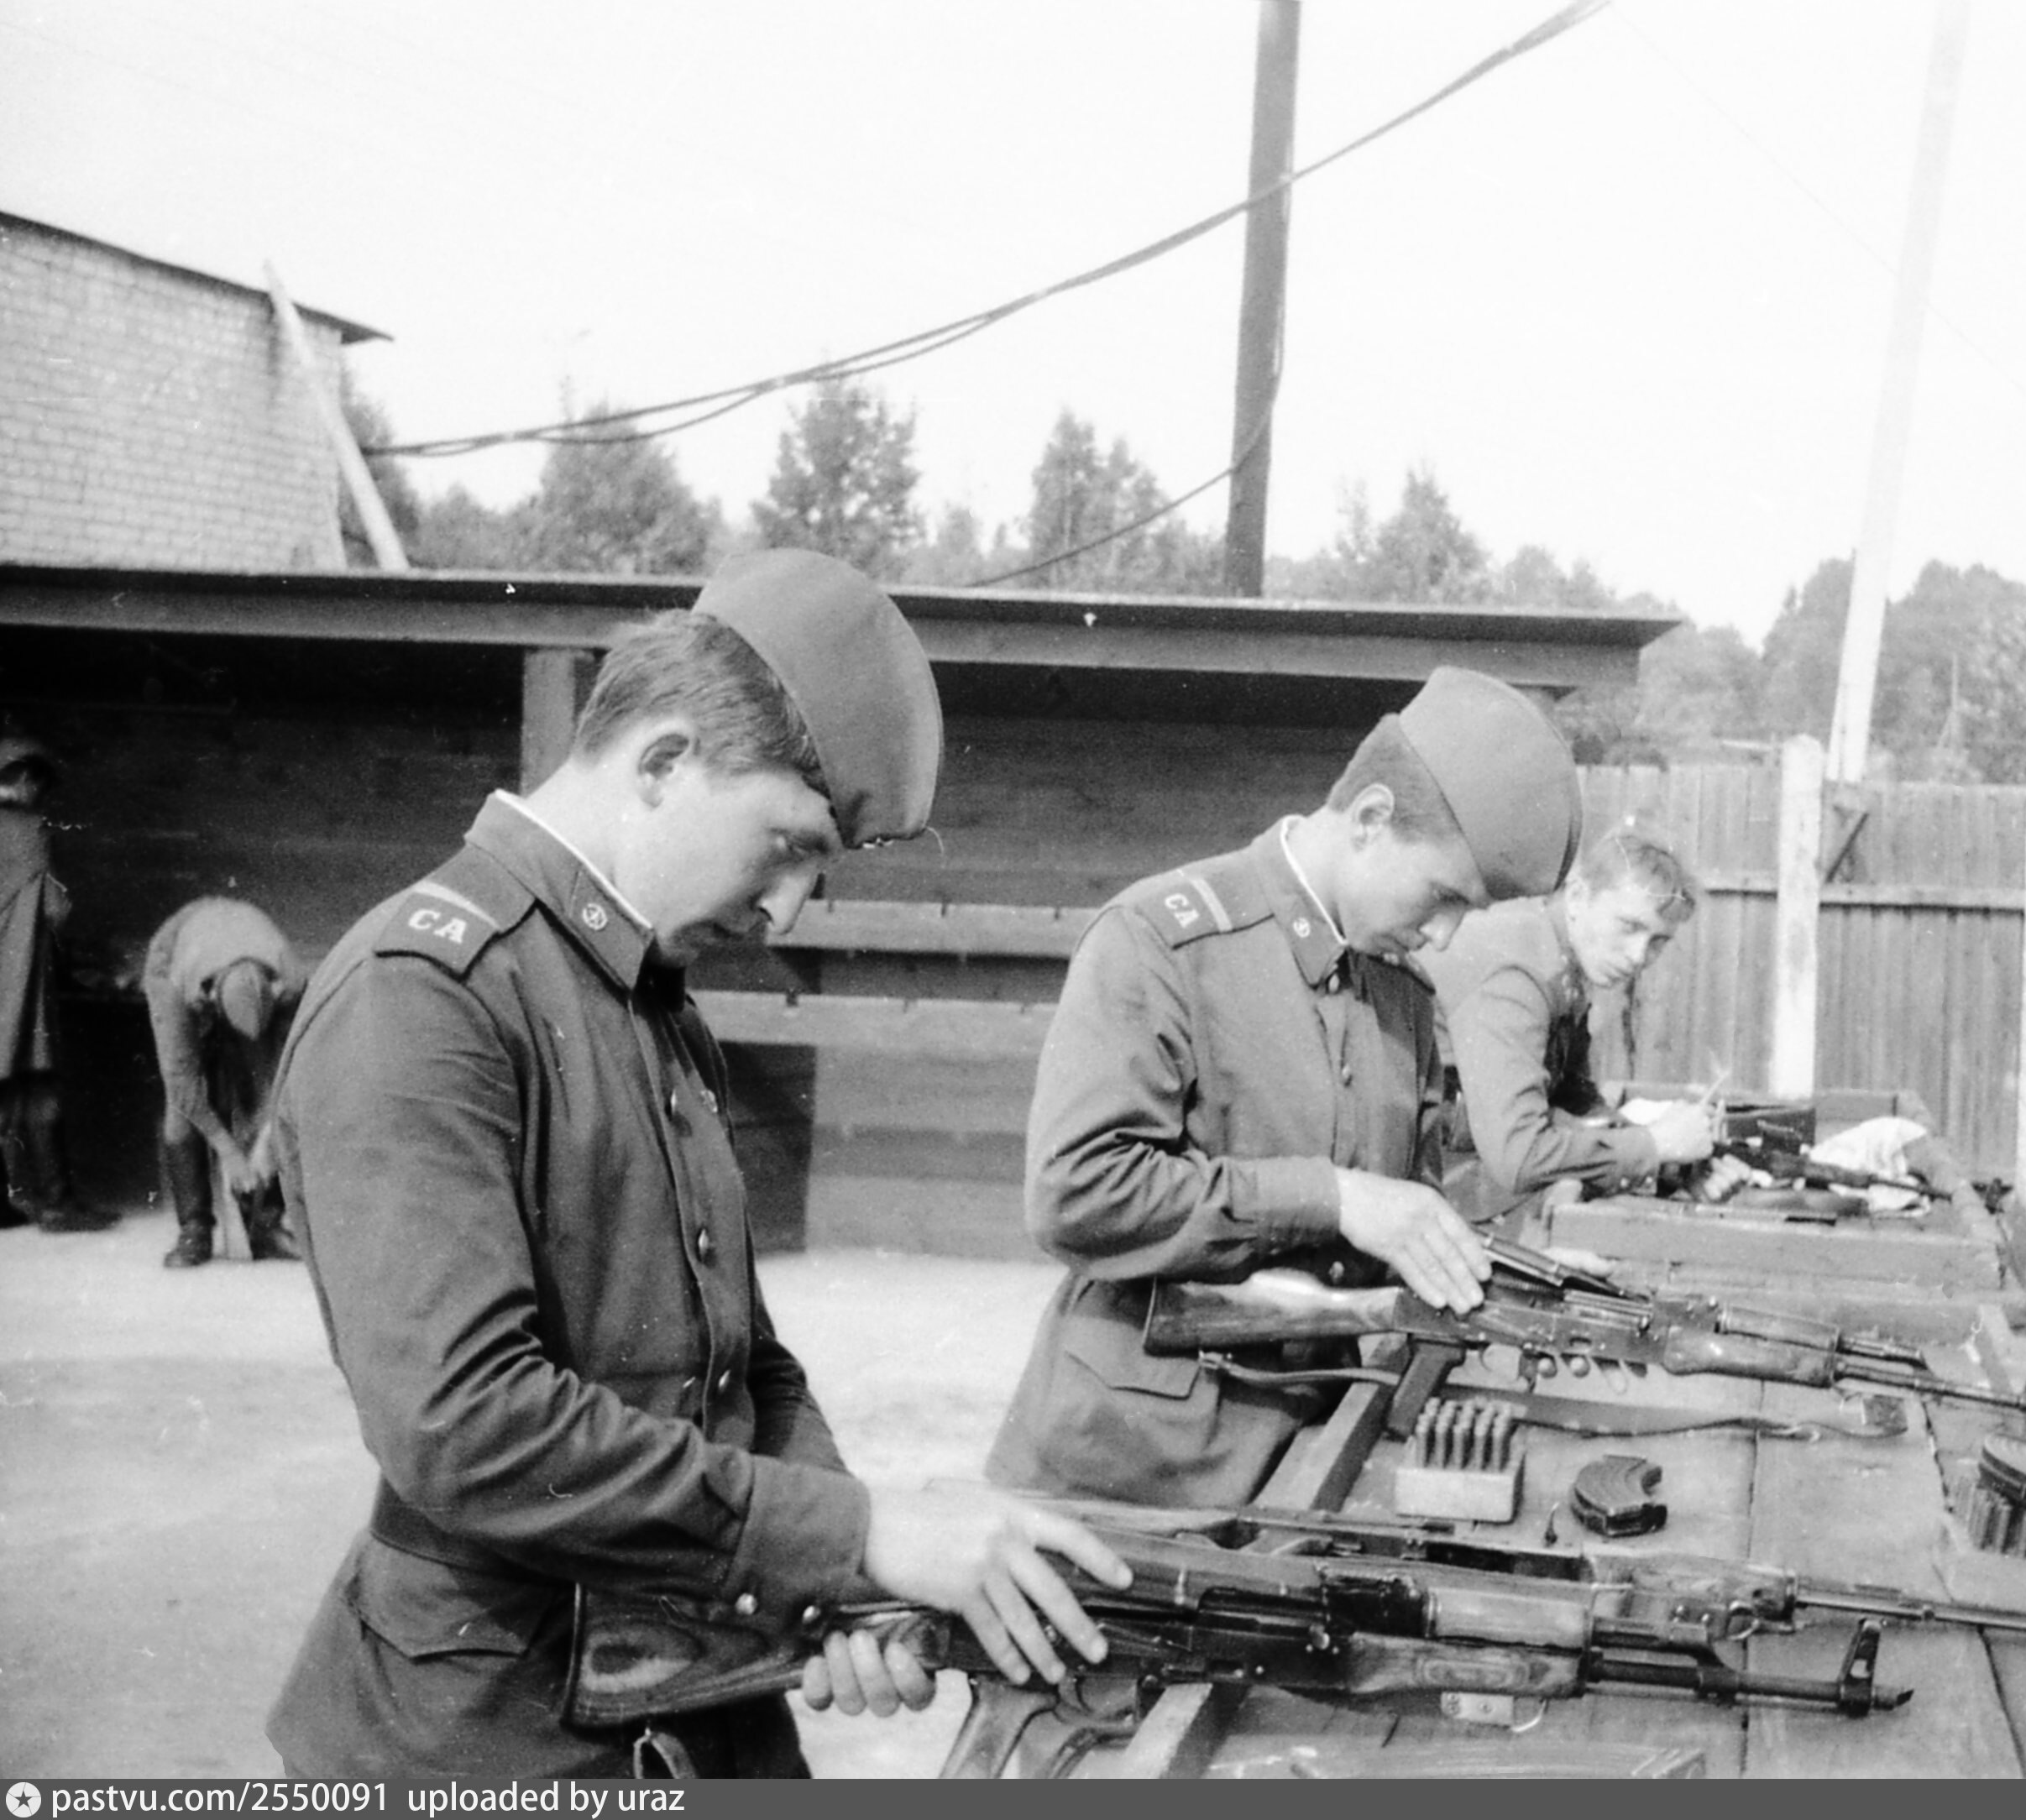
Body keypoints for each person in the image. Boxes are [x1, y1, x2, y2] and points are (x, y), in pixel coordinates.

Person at [266, 549, 1125, 1779]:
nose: (788, 910)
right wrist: (855, 1534)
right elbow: (465, 1427)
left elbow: (749, 1364)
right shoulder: (426, 993)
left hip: (695, 1688)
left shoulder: (655, 1007)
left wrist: (834, 1578)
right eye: (786, 844)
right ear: (664, 762)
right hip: (490, 1735)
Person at [984, 667, 1582, 1508]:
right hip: (1125, 1474)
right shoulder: (1161, 942)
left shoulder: (1402, 996)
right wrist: (1330, 1196)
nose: (1445, 934)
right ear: (1370, 818)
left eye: (1468, 912)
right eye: (1444, 895)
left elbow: (1400, 1217)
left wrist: (1519, 1272)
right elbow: (1074, 1194)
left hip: (1312, 1459)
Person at [1417, 826, 1741, 1226]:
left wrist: (1673, 1164)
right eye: (1629, 926)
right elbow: (1518, 1157)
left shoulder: (1560, 955)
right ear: (1577, 897)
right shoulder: (1520, 971)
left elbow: (1573, 1098)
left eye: (1658, 941)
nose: (1639, 956)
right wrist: (1654, 1145)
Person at [144, 896, 306, 1268]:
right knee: (180, 1112)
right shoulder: (176, 986)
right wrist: (229, 1153)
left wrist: (268, 1136)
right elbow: (183, 1085)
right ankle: (195, 1228)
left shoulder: (291, 981)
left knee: (264, 1089)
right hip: (177, 951)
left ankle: (265, 1224)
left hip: (240, 942)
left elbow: (291, 1069)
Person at [0, 734, 86, 1231]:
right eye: (40, 785)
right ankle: (58, 1205)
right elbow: (55, 909)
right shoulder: (31, 830)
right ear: (25, 778)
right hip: (21, 983)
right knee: (41, 1085)